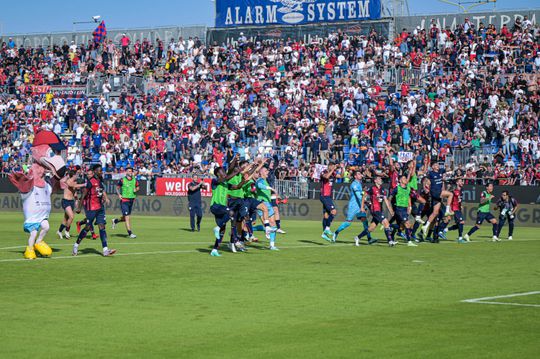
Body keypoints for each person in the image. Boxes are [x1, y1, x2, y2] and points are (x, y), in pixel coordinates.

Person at [73, 164, 116, 257]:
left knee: (102, 226)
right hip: (91, 208)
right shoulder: (90, 182)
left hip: (100, 207)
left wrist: (104, 198)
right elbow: (83, 195)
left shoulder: (100, 181)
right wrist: (79, 207)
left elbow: (100, 191)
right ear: (95, 172)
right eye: (100, 171)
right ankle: (76, 246)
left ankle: (105, 250)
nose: (101, 172)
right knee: (88, 227)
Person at [332, 170, 374, 245]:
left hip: (359, 205)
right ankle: (336, 233)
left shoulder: (359, 183)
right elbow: (359, 197)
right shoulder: (354, 184)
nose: (361, 175)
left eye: (360, 173)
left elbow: (361, 196)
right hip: (353, 206)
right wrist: (365, 202)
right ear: (355, 176)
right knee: (348, 223)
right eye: (359, 174)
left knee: (365, 221)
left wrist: (364, 203)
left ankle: (369, 238)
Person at [360, 176, 396, 246]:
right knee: (386, 223)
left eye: (381, 179)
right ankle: (390, 241)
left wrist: (390, 210)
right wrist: (362, 207)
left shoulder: (383, 190)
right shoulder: (372, 188)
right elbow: (364, 196)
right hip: (375, 210)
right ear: (375, 181)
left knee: (371, 228)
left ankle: (358, 237)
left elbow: (386, 201)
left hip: (380, 210)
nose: (381, 180)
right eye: (379, 179)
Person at [421, 161, 454, 237]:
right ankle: (447, 211)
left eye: (438, 164)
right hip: (435, 192)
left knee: (435, 213)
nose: (437, 166)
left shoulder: (441, 171)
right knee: (450, 194)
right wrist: (425, 189)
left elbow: (451, 169)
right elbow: (425, 181)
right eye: (435, 165)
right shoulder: (431, 174)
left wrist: (451, 163)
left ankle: (425, 226)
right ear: (432, 167)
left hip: (437, 194)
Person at [57, 169, 86, 239]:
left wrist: (77, 200)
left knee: (65, 219)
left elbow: (75, 193)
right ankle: (67, 231)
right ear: (73, 175)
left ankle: (59, 231)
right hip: (65, 201)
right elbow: (73, 185)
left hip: (71, 201)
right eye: (76, 174)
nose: (77, 176)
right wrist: (84, 184)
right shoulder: (69, 181)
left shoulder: (74, 182)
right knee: (71, 217)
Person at [390, 175, 418, 247]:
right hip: (399, 208)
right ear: (400, 181)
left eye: (405, 178)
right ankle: (409, 241)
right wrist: (390, 208)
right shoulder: (397, 188)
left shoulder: (408, 188)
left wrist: (410, 206)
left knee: (401, 227)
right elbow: (390, 198)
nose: (405, 179)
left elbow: (408, 197)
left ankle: (388, 226)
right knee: (407, 224)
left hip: (405, 208)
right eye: (403, 178)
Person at [112, 167, 139, 238]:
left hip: (131, 200)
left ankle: (115, 221)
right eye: (129, 171)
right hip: (124, 200)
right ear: (126, 172)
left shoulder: (134, 179)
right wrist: (119, 194)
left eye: (131, 171)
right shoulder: (122, 180)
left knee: (125, 218)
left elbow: (138, 187)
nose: (130, 172)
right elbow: (117, 188)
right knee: (127, 217)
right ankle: (130, 233)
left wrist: (136, 189)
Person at [446, 178, 467, 243]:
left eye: (462, 181)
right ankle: (460, 238)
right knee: (461, 222)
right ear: (457, 183)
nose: (462, 182)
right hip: (454, 209)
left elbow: (459, 199)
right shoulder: (453, 191)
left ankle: (445, 230)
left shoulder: (462, 190)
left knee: (459, 225)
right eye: (460, 181)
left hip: (458, 208)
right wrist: (449, 209)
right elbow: (449, 199)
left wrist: (460, 205)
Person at [320, 163, 337, 241]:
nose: (334, 168)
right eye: (332, 166)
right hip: (324, 196)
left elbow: (341, 176)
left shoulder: (333, 174)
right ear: (329, 166)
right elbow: (326, 177)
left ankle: (324, 233)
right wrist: (332, 169)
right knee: (333, 211)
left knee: (326, 215)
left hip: (328, 196)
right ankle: (327, 229)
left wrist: (343, 168)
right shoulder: (324, 172)